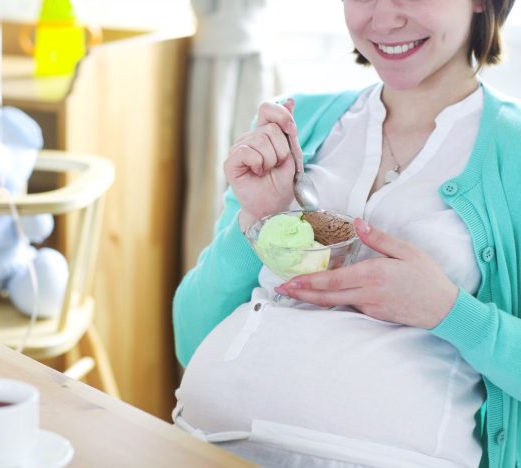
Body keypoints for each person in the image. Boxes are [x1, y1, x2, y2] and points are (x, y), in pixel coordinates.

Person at [172, 0, 520, 467]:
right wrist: (256, 220)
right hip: (204, 447)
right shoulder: (297, 126)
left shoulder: (511, 154)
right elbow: (191, 337)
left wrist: (448, 311)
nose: (385, 17)